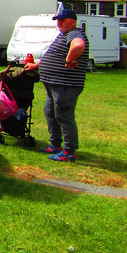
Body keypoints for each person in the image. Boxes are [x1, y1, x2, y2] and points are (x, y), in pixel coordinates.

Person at [24, 8, 89, 163]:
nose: (59, 23)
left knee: (63, 115)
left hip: (65, 84)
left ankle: (69, 152)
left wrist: (68, 61)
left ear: (73, 22)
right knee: (51, 112)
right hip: (54, 84)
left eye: (63, 20)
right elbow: (54, 55)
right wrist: (36, 65)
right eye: (58, 20)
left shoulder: (75, 34)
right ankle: (56, 145)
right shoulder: (64, 35)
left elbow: (78, 46)